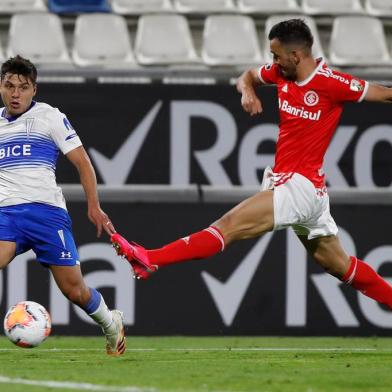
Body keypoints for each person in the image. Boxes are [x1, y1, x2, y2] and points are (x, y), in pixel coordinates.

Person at [112, 19, 392, 309]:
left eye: (276, 55)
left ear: (295, 55)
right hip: (307, 191)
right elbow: (246, 76)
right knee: (339, 265)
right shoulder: (282, 74)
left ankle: (150, 258)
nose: (273, 62)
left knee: (227, 226)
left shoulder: (331, 83)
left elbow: (385, 93)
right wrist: (248, 90)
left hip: (301, 187)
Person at [0, 55, 125, 356]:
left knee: (74, 290)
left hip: (47, 214)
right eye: (9, 86)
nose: (16, 93)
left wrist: (94, 206)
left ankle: (111, 323)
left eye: (23, 87)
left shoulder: (49, 117)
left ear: (34, 90)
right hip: (6, 213)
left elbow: (82, 162)